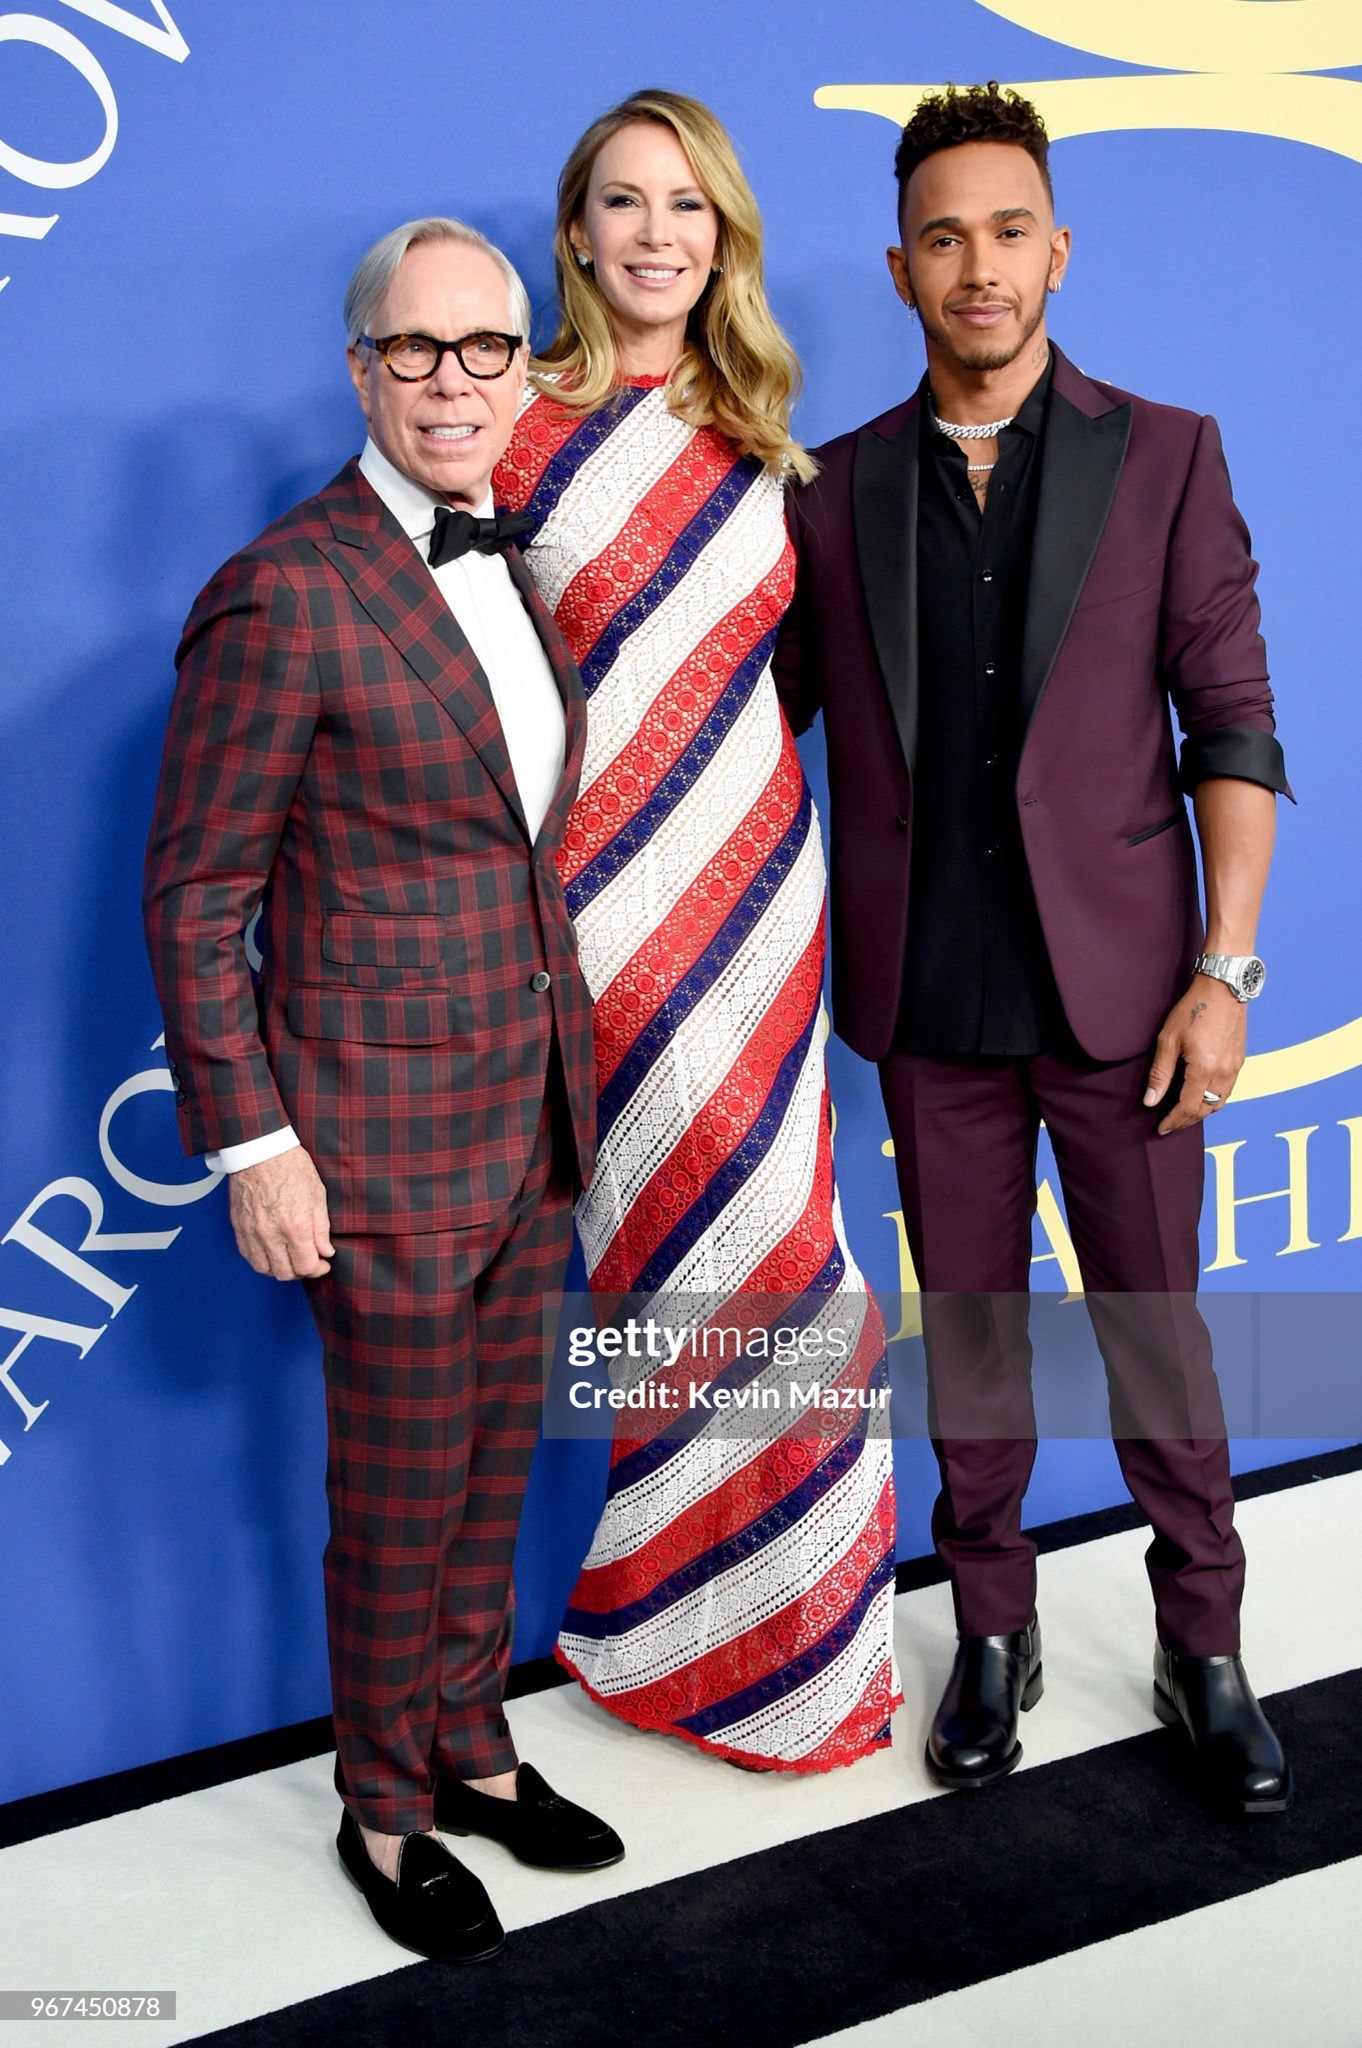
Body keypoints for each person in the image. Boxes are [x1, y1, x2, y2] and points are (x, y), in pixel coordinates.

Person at [774, 83, 1292, 1814]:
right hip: (929, 996)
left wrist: (1221, 972)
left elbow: (1230, 724)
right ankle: (986, 1635)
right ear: (902, 268)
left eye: (1007, 231)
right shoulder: (828, 493)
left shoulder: (1166, 454)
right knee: (973, 1339)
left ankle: (1200, 1645)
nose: (977, 267)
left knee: (1157, 1333)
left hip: (1130, 999)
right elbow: (739, 731)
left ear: (1055, 247)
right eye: (943, 238)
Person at [143, 217, 624, 1965]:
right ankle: (383, 1804)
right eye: (414, 350)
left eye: (482, 349)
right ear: (360, 368)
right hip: (375, 1137)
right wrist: (255, 1142)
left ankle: (474, 1746)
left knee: (492, 1470)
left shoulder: (515, 560)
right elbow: (198, 894)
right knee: (399, 1490)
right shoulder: (284, 587)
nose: (450, 383)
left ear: (525, 370)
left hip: (531, 1114)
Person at [495, 89, 900, 1773]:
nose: (655, 231)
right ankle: (668, 1625)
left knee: (786, 1264)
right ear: (576, 232)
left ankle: (798, 1651)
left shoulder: (767, 439)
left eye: (686, 204)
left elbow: (787, 689)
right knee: (666, 1272)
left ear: (721, 234)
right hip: (596, 916)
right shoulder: (505, 422)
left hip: (758, 900)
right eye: (620, 201)